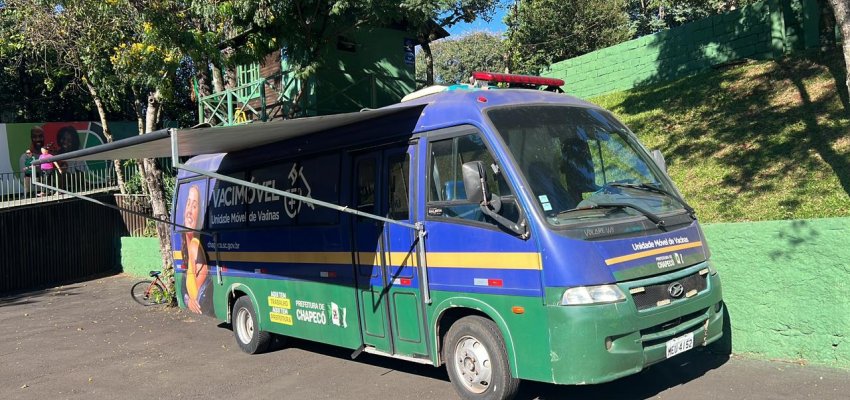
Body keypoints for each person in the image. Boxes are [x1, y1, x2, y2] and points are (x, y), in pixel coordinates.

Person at [182, 185, 213, 315]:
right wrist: (187, 300)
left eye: (194, 207)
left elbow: (199, 300)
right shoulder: (188, 248)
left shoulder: (195, 247)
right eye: (188, 204)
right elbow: (184, 284)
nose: (189, 210)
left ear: (200, 215)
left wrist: (189, 300)